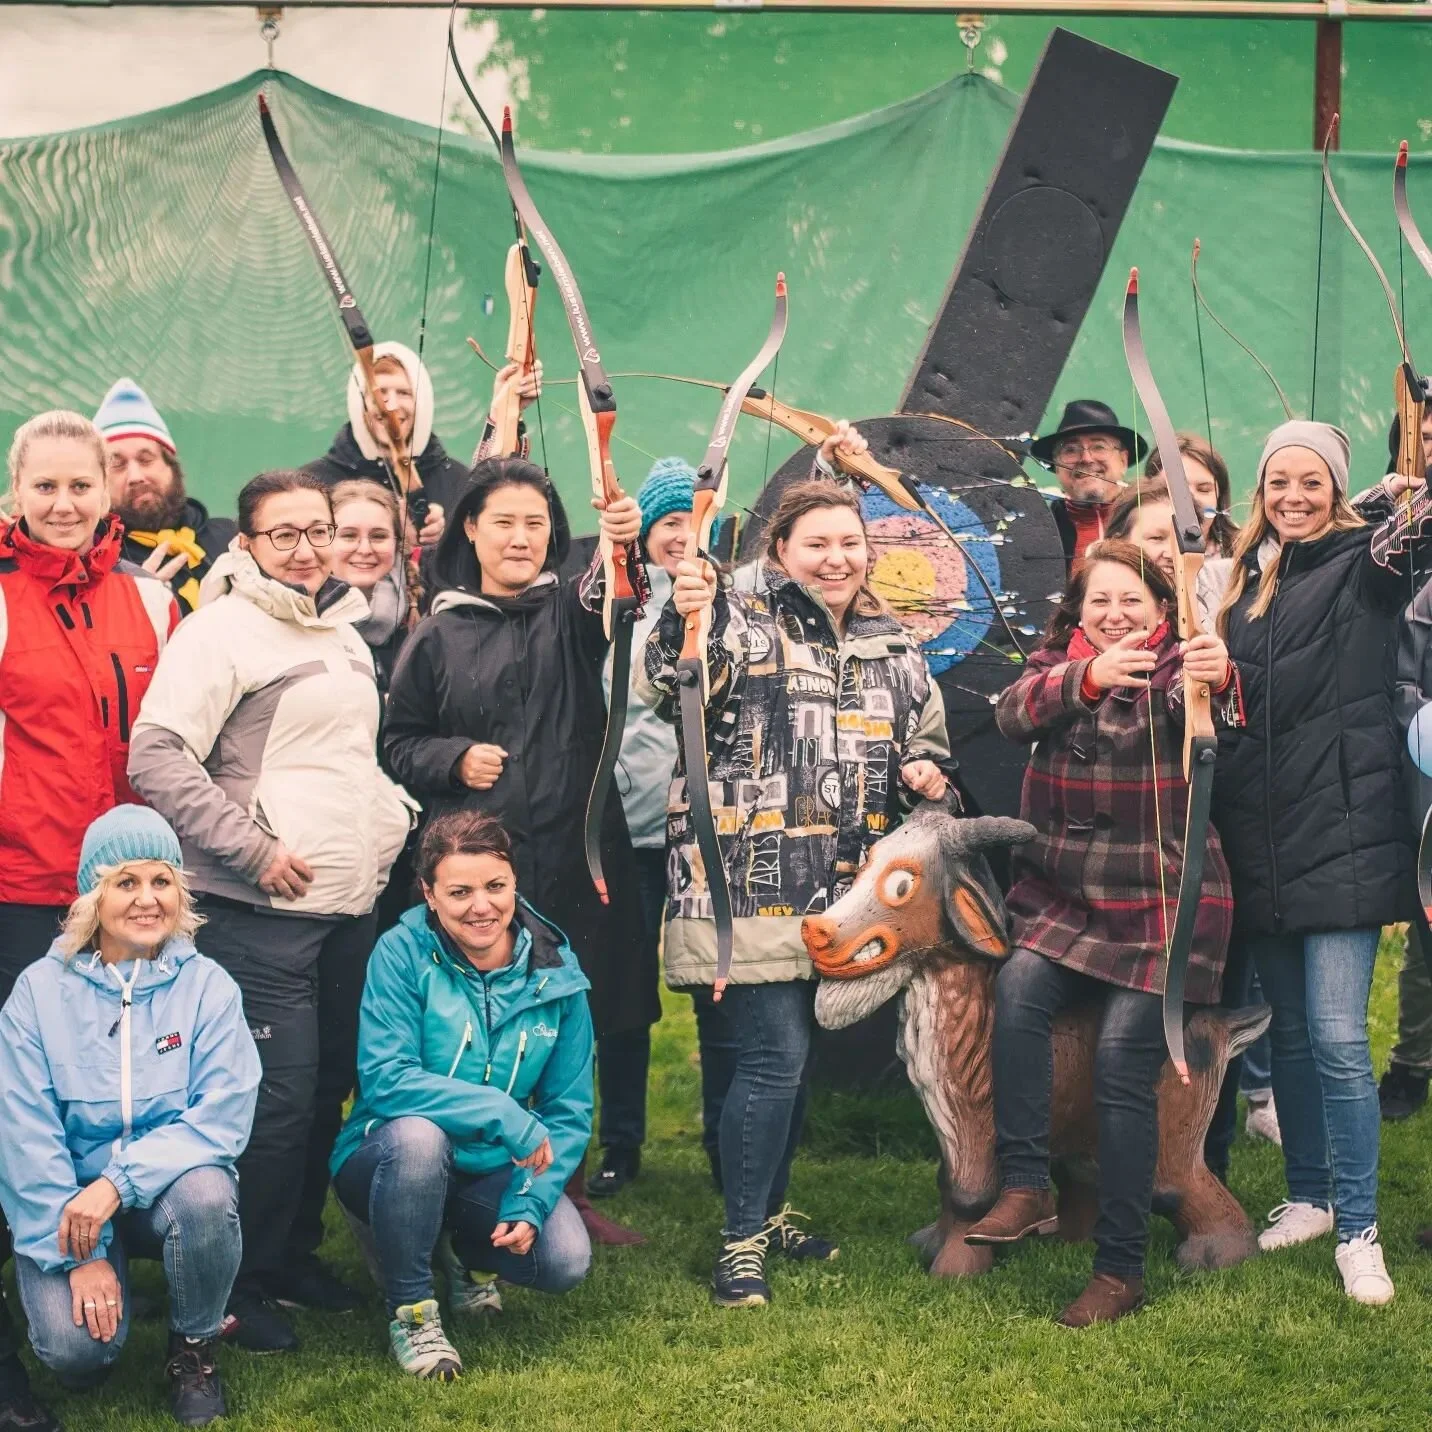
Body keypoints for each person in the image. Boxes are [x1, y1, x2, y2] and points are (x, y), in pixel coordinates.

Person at [640, 475, 952, 1308]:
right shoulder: (743, 621)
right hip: (747, 891)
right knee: (774, 1061)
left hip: (845, 899)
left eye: (849, 542)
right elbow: (673, 672)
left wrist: (927, 770)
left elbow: (927, 738)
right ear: (779, 553)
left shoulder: (895, 642)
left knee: (790, 1064)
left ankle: (768, 1213)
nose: (836, 557)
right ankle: (741, 1243)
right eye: (816, 543)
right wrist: (688, 602)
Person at [127, 470, 415, 1352]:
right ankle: (232, 1284)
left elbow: (340, 758)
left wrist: (391, 820)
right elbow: (157, 755)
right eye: (282, 534)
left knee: (326, 1085)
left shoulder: (340, 628)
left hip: (345, 904)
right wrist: (252, 849)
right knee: (272, 1102)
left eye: (317, 530)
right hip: (260, 908)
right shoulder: (220, 632)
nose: (305, 547)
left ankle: (290, 1255)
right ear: (245, 544)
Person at [382, 452, 655, 1248]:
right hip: (480, 878)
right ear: (471, 527)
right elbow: (397, 741)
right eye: (503, 521)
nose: (521, 537)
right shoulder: (438, 632)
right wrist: (454, 759)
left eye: (537, 523)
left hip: (576, 859)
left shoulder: (569, 614)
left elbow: (610, 597)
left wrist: (619, 541)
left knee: (570, 1024)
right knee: (480, 1033)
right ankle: (464, 1190)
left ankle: (561, 1192)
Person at [967, 540, 1240, 1326]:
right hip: (1062, 902)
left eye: (1133, 601)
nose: (1115, 614)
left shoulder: (1180, 669)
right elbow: (1012, 714)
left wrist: (1215, 676)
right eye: (1099, 601)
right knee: (1016, 986)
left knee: (1124, 1059)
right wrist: (1084, 678)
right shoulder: (1057, 668)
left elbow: (1223, 705)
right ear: (1077, 610)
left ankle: (1120, 1268)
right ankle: (1025, 1184)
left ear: (1162, 609)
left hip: (1166, 910)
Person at [1211, 419, 1431, 1306]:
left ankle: (1358, 1230)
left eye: (1311, 483)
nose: (1293, 498)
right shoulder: (1239, 586)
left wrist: (1416, 466)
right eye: (1277, 483)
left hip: (1340, 836)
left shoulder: (1365, 566)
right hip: (1259, 836)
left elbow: (1411, 536)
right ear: (1259, 492)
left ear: (1337, 489)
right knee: (1292, 1036)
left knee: (1340, 1041)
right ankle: (1307, 1194)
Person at [0, 409, 178, 1432]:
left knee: (111, 1096)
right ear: (17, 492)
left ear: (109, 492)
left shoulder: (149, 600)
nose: (65, 504)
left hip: (126, 909)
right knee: (12, 1109)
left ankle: (108, 1270)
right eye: (46, 487)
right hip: (17, 897)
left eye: (83, 486)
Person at [0, 805, 260, 1428]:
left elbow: (222, 1116)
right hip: (67, 1203)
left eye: (162, 881)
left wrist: (118, 1184)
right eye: (126, 882)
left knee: (207, 1189)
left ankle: (193, 1350)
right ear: (95, 894)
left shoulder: (209, 987)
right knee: (77, 1354)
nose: (147, 900)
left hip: (159, 1194)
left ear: (180, 891)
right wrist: (78, 1257)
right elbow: (24, 1135)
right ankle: (92, 1310)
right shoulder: (38, 991)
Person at [330, 810, 592, 1380]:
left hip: (487, 1165)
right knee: (420, 1139)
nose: (482, 906)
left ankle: (468, 1261)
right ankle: (412, 1310)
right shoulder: (399, 954)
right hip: (388, 1152)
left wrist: (533, 1199)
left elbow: (569, 1110)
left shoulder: (557, 973)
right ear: (428, 893)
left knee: (565, 1259)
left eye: (495, 886)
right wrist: (501, 1111)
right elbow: (386, 1078)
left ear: (515, 882)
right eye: (459, 891)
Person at [586, 458, 737, 1201]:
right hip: (631, 830)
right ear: (644, 534)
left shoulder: (732, 602)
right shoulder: (619, 604)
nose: (682, 536)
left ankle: (724, 1139)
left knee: (716, 989)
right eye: (668, 522)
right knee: (624, 995)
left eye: (696, 521)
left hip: (709, 838)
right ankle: (620, 1141)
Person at [94, 379, 236, 614]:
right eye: (116, 465)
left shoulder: (232, 539)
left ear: (172, 466)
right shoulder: (94, 563)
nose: (135, 476)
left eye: (146, 459)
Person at [301, 342, 454, 547]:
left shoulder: (457, 481)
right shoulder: (310, 485)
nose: (390, 406)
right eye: (379, 393)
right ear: (359, 403)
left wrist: (438, 540)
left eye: (404, 393)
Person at [1029, 400, 1147, 569]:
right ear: (1056, 467)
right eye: (1070, 450)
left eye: (1099, 447)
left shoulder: (1154, 516)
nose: (1086, 458)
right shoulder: (1038, 533)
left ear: (1123, 460)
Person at [328, 479, 406, 697]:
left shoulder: (424, 614)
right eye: (348, 536)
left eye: (379, 536)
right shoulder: (302, 618)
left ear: (397, 543)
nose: (365, 549)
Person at [1143, 431, 1240, 557]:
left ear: (1219, 499)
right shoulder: (1128, 554)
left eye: (1204, 489)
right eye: (1174, 489)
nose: (1190, 500)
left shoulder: (1245, 554)